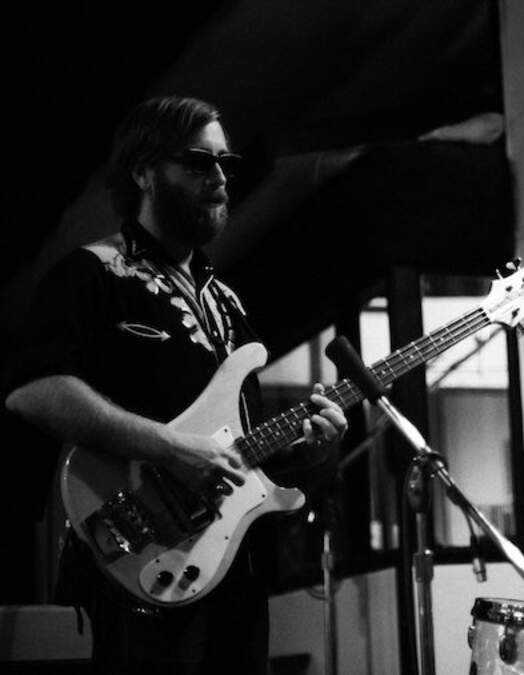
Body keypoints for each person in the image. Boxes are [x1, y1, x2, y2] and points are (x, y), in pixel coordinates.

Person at [4, 96, 348, 673]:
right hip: (134, 556)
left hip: (231, 571)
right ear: (143, 172)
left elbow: (240, 454)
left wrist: (310, 452)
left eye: (224, 163)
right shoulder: (93, 273)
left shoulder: (228, 302)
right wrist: (168, 447)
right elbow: (32, 390)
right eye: (197, 162)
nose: (220, 178)